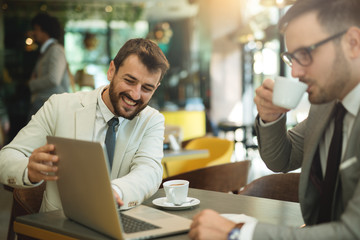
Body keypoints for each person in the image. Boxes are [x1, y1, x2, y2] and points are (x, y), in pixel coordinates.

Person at [189, 0, 360, 239]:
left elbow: (353, 232)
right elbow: (283, 158)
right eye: (292, 57)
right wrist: (270, 118)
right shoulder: (328, 105)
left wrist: (240, 233)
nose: (295, 73)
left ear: (353, 43)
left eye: (305, 53)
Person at [0, 38, 170, 212]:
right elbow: (5, 158)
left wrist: (114, 192)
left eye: (147, 88)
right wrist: (29, 170)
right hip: (60, 227)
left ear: (156, 88)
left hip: (121, 227)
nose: (135, 94)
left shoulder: (152, 120)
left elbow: (149, 171)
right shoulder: (59, 106)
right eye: (129, 81)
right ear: (111, 71)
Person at [28, 13, 70, 119]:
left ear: (45, 31)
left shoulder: (55, 50)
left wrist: (32, 83)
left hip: (49, 104)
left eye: (36, 29)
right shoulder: (47, 50)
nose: (34, 33)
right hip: (45, 103)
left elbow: (53, 79)